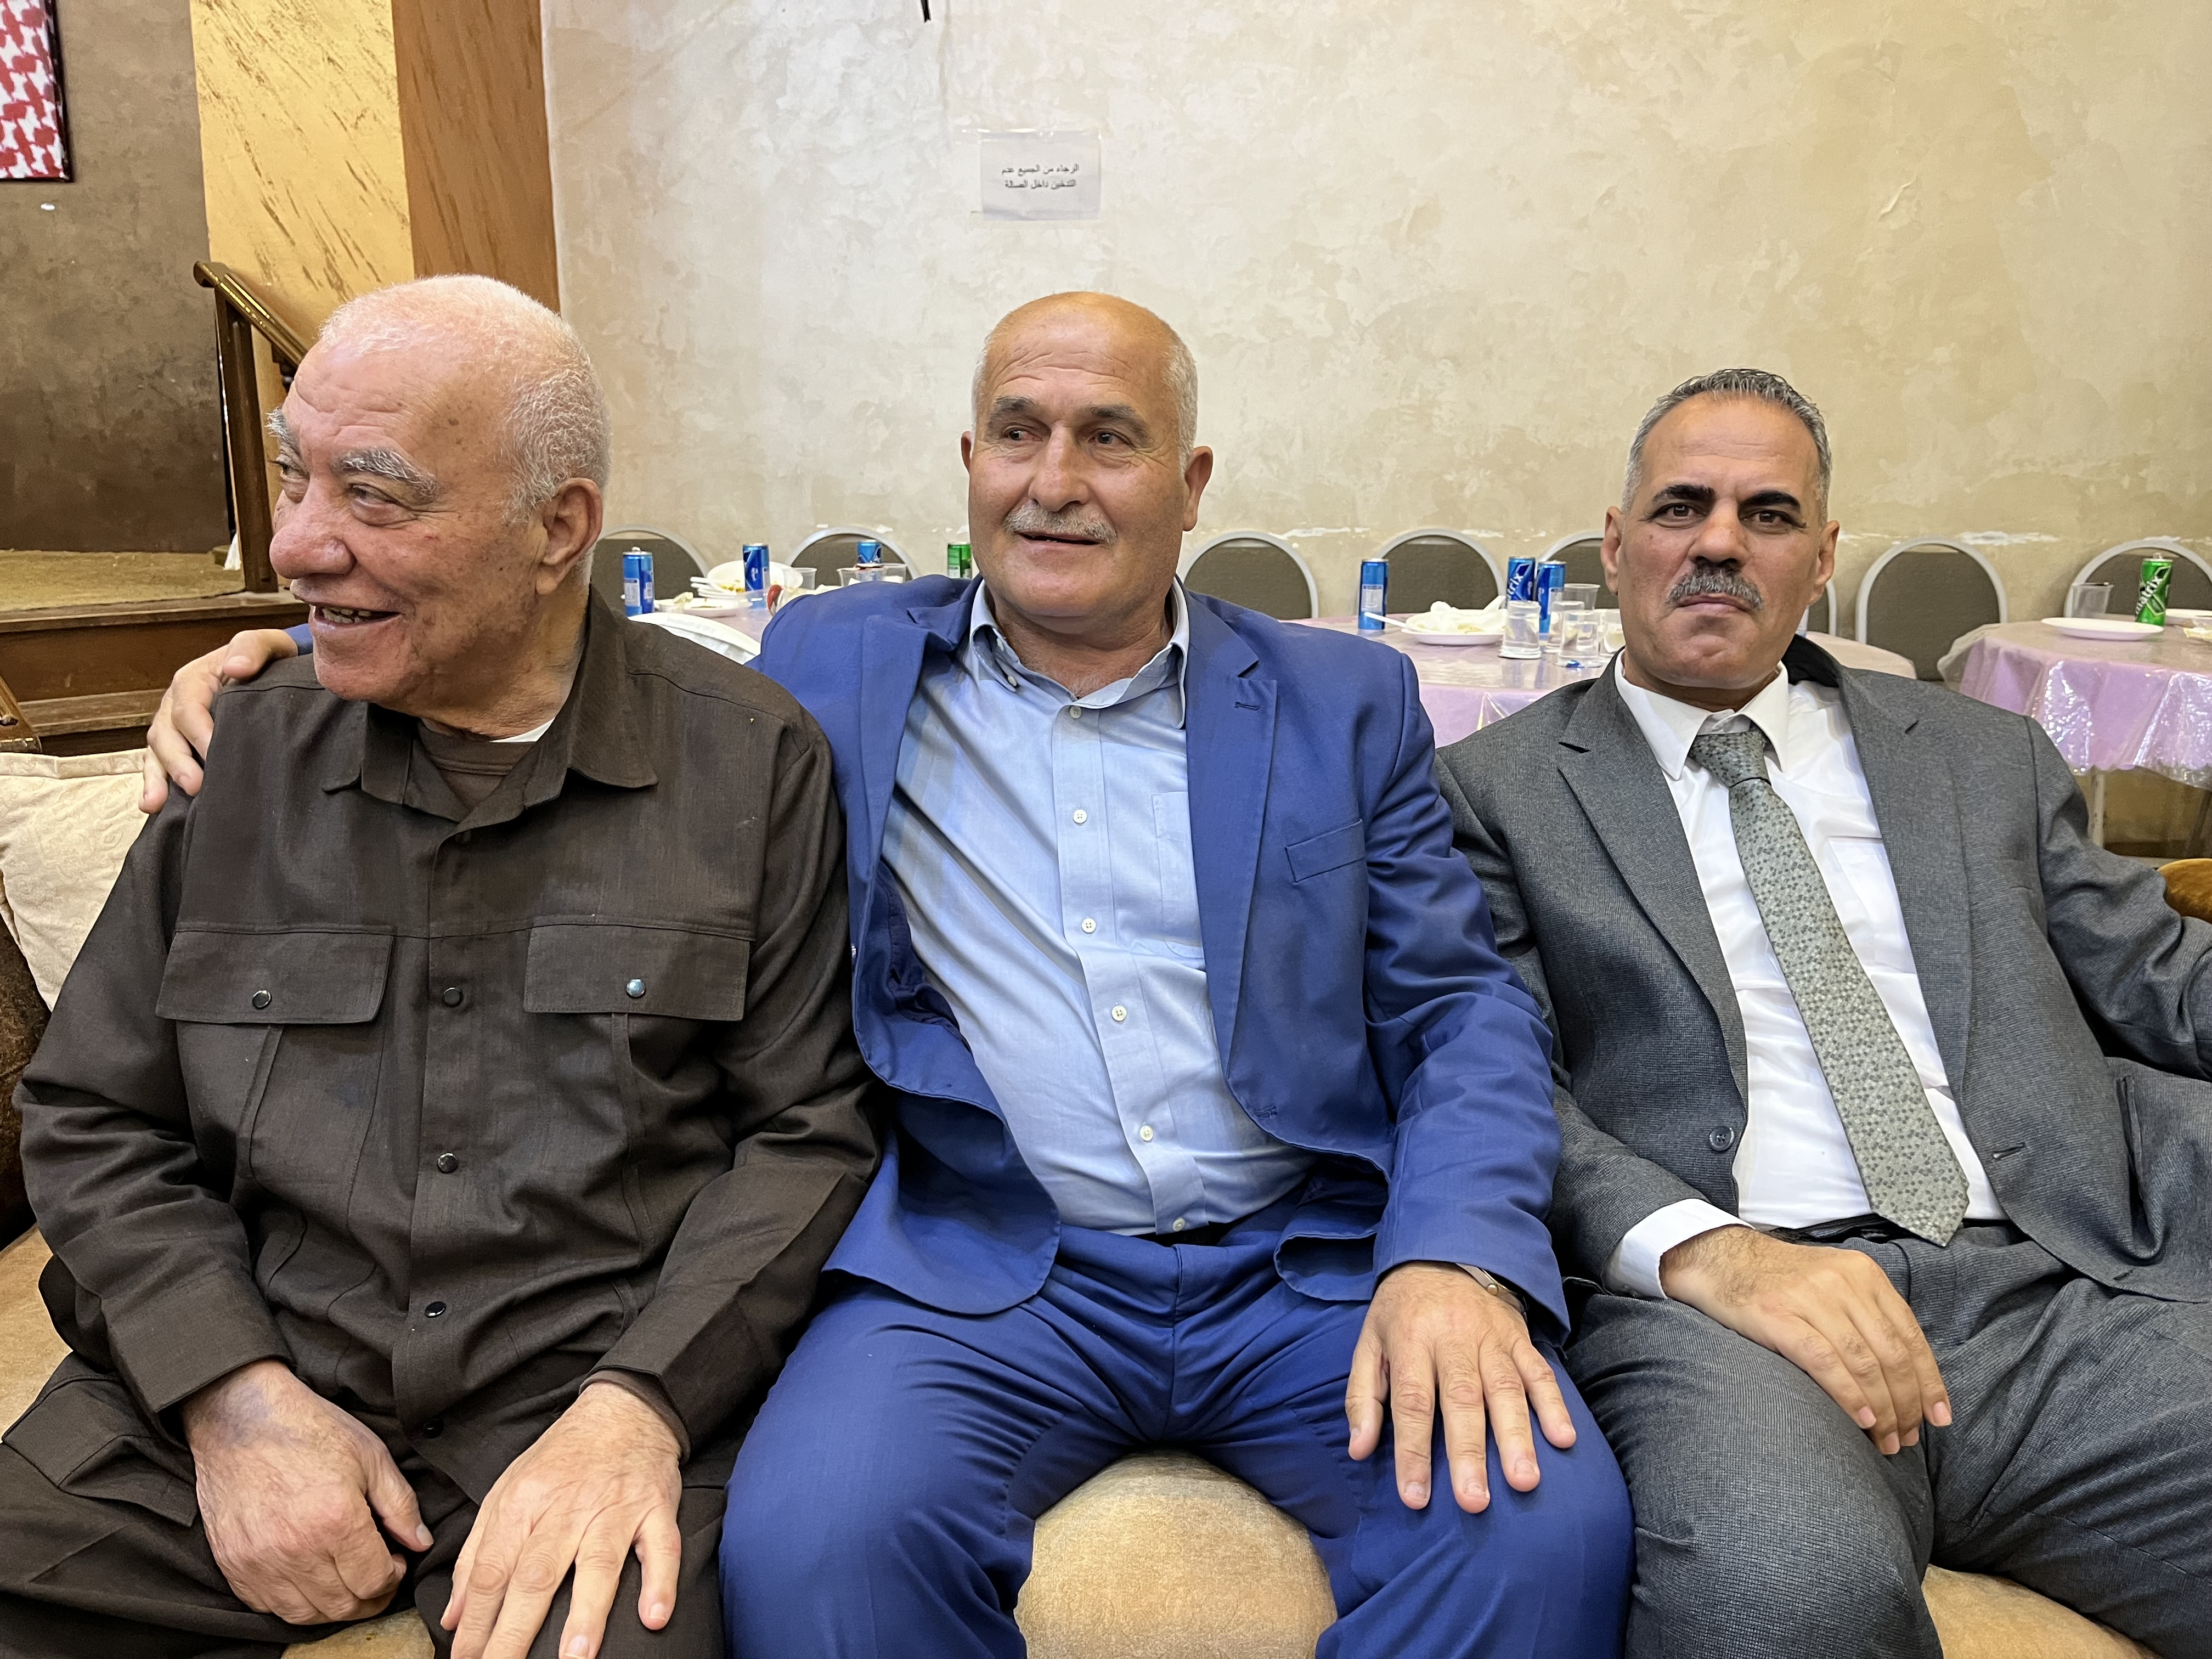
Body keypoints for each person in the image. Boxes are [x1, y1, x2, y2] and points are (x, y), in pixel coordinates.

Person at [143, 292, 1634, 1657]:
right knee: (817, 1551)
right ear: (969, 464)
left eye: (1110, 439)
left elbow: (1463, 1010)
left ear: (1190, 487)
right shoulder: (826, 663)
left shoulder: (1341, 698)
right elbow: (543, 658)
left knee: (1537, 1534)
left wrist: (1454, 1256)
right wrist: (295, 660)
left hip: (1307, 1263)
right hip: (977, 1269)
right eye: (1017, 433)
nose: (1054, 481)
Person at [10, 275, 879, 1659]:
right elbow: (93, 1112)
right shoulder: (242, 747)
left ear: (559, 529)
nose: (298, 545)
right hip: (235, 1384)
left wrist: (638, 1410)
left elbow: (809, 1135)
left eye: (374, 495)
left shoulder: (748, 761)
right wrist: (231, 1397)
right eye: (294, 476)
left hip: (573, 1402)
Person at [1435, 368, 2212, 1659]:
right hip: (1735, 1315)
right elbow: (1492, 1084)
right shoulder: (1492, 793)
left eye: (1769, 514)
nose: (1720, 543)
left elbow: (2162, 979)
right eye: (1681, 508)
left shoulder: (1983, 758)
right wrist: (1715, 1254)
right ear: (1616, 546)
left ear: (1823, 558)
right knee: (1780, 1601)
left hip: (2057, 1290)